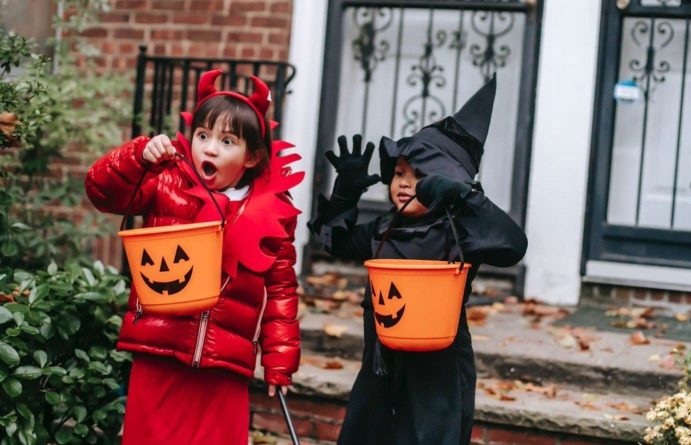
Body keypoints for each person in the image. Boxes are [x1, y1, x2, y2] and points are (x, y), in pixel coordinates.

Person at [85, 69, 304, 445]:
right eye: (203, 136)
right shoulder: (167, 181)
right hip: (160, 349)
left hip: (224, 366)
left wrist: (280, 360)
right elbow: (103, 192)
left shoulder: (272, 214)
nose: (210, 148)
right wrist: (138, 156)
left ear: (251, 157)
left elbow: (282, 291)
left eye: (227, 141)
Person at [309, 75, 527, 445]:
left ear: (446, 181)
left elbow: (512, 245)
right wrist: (345, 194)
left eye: (420, 175)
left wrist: (464, 199)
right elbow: (338, 241)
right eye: (398, 174)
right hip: (380, 371)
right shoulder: (383, 229)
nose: (404, 183)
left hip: (436, 379)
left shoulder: (459, 231)